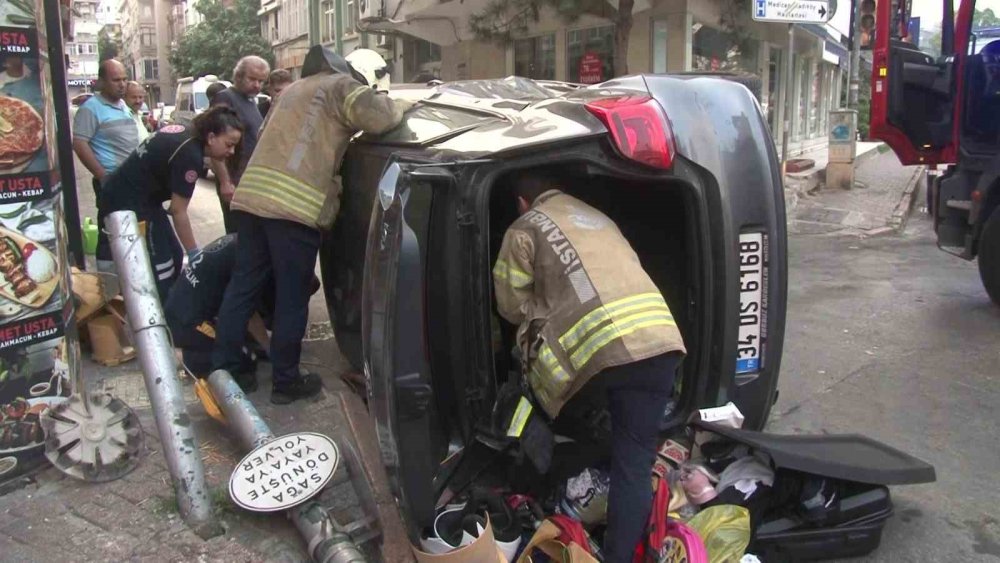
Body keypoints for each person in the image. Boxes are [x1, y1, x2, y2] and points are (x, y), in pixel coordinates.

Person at [492, 171, 686, 563]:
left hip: (599, 356)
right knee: (634, 462)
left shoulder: (525, 226)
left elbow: (510, 307)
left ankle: (554, 506)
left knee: (553, 423)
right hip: (662, 345)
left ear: (522, 202)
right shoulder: (598, 218)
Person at [211, 45, 411, 404]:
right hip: (291, 209)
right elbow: (382, 118)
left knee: (243, 287)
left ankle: (227, 370)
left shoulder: (293, 90)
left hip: (251, 199)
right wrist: (405, 105)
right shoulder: (343, 88)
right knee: (292, 295)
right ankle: (286, 382)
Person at [98, 106, 244, 300]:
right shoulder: (189, 155)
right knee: (161, 265)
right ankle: (159, 314)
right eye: (229, 144)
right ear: (211, 137)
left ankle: (172, 303)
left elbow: (216, 156)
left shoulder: (189, 132)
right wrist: (194, 253)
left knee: (175, 254)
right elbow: (178, 210)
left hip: (142, 198)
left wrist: (225, 180)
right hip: (130, 205)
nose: (232, 151)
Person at [73, 59, 141, 272]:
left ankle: (128, 275)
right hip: (112, 180)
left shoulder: (122, 105)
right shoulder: (91, 109)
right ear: (102, 81)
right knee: (110, 232)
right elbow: (79, 143)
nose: (122, 84)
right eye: (115, 80)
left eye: (124, 79)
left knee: (130, 230)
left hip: (132, 181)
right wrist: (102, 175)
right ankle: (107, 281)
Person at [209, 56, 269, 233]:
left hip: (251, 182)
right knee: (238, 236)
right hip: (235, 182)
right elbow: (215, 146)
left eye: (261, 81)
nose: (257, 85)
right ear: (239, 76)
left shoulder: (251, 101)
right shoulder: (225, 98)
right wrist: (225, 182)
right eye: (252, 79)